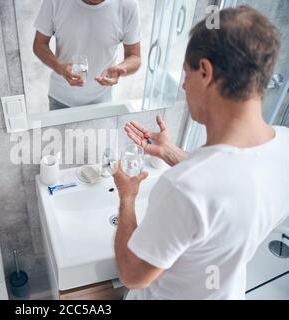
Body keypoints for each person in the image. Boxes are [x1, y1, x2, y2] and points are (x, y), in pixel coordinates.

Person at [113, 6, 288, 299]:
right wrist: (170, 153)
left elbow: (132, 274)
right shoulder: (284, 144)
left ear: (205, 71)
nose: (183, 85)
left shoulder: (183, 187)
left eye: (186, 73)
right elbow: (232, 184)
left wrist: (127, 198)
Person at [33, 0, 141, 110]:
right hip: (61, 100)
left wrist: (120, 69)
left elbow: (134, 57)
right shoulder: (55, 2)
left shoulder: (128, 5)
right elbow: (39, 44)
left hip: (103, 102)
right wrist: (60, 67)